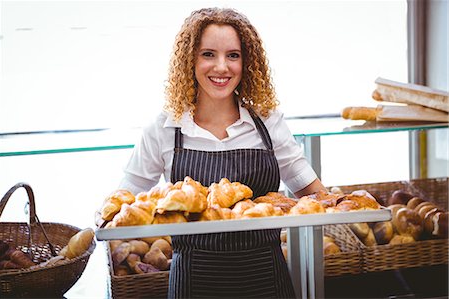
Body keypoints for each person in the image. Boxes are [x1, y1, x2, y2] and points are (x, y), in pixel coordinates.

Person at [119, 7, 327, 298]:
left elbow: (313, 193)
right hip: (194, 281)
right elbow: (124, 204)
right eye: (208, 54)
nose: (221, 67)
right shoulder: (166, 128)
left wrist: (351, 207)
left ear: (247, 61)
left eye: (233, 55)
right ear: (189, 59)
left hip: (266, 278)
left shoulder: (267, 122)